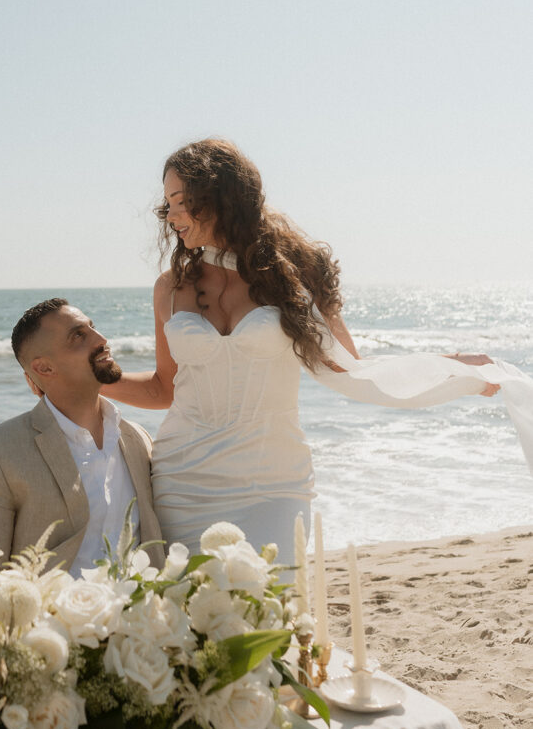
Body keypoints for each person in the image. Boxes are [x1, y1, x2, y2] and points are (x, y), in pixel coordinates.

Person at [101, 138, 532, 564]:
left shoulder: (292, 275)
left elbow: (350, 370)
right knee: (200, 625)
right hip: (183, 483)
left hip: (273, 484)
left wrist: (453, 369)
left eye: (181, 201)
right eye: (167, 204)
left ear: (220, 197)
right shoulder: (170, 288)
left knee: (274, 613)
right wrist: (85, 382)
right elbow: (163, 389)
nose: (171, 216)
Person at [0, 298, 165, 571]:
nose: (101, 339)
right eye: (78, 336)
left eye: (93, 328)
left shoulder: (137, 438)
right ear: (44, 368)